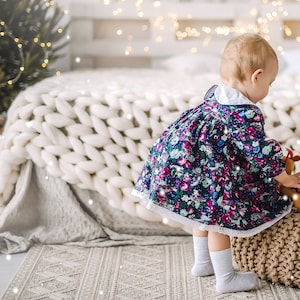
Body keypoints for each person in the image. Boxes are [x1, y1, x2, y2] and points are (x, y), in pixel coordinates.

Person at [132, 33, 300, 294]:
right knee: (219, 221)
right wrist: (285, 178)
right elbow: (258, 152)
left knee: (202, 215)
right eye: (270, 82)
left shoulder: (217, 95)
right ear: (256, 77)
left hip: (186, 163)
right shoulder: (244, 112)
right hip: (208, 168)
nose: (268, 90)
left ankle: (202, 263)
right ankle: (226, 278)